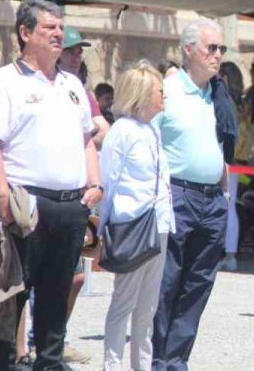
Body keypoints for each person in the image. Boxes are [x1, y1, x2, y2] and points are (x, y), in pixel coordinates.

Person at [0, 0, 103, 370]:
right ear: (25, 33)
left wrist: (95, 183)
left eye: (60, 27)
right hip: (25, 206)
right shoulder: (5, 81)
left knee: (56, 305)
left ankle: (49, 364)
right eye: (49, 28)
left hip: (70, 207)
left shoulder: (73, 85)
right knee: (9, 304)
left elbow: (87, 138)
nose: (59, 34)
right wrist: (3, 196)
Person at [152, 18, 229, 371]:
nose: (218, 56)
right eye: (211, 48)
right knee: (167, 282)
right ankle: (157, 356)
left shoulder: (219, 95)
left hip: (212, 200)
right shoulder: (166, 91)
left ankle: (176, 359)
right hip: (176, 195)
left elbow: (221, 146)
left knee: (199, 283)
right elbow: (149, 146)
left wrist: (224, 193)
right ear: (188, 51)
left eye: (221, 49)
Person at [100, 62, 173, 371]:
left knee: (148, 307)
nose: (164, 96)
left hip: (159, 225)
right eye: (159, 91)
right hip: (131, 226)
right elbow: (109, 182)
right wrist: (102, 231)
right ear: (143, 94)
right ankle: (112, 365)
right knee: (123, 302)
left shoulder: (152, 131)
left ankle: (142, 365)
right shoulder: (122, 132)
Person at [59, 26, 111, 150]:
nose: (76, 58)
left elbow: (105, 133)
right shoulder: (44, 85)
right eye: (71, 52)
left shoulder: (81, 91)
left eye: (79, 52)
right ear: (58, 52)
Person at [218, 61, 247, 272]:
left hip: (226, 159)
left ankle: (228, 253)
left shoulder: (225, 103)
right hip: (237, 161)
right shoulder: (242, 104)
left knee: (226, 207)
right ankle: (230, 253)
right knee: (231, 207)